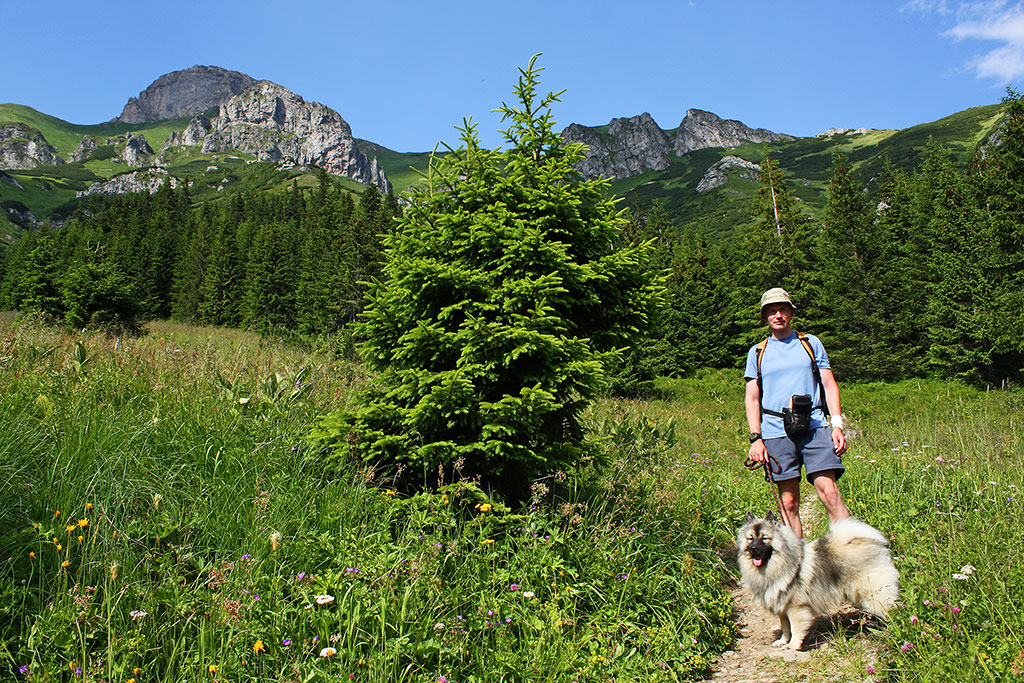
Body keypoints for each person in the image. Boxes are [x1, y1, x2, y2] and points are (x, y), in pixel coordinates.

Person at [743, 287, 850, 538]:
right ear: (765, 317)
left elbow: (829, 383)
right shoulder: (757, 352)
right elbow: (752, 397)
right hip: (775, 431)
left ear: (791, 313)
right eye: (771, 311)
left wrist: (837, 424)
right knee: (788, 503)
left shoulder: (810, 343)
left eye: (782, 310)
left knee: (829, 492)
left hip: (814, 426)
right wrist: (755, 438)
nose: (778, 315)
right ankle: (797, 566)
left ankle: (853, 556)